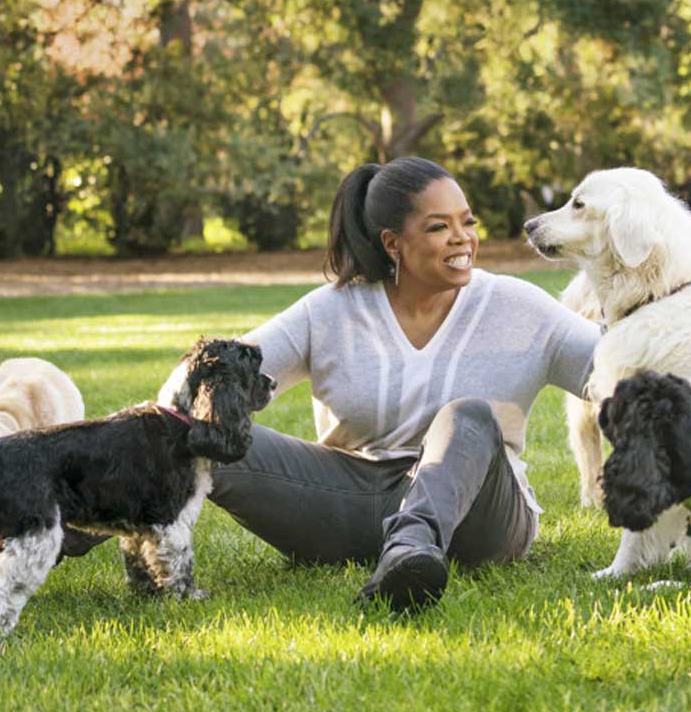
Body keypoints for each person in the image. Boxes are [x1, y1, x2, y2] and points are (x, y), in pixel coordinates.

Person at [202, 157, 600, 611]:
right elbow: (214, 380)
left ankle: (410, 550)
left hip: (479, 516)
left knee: (468, 414)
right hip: (353, 500)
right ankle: (105, 503)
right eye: (438, 228)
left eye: (467, 222)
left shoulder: (519, 306)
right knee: (205, 431)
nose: (463, 238)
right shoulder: (330, 311)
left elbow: (620, 370)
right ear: (393, 243)